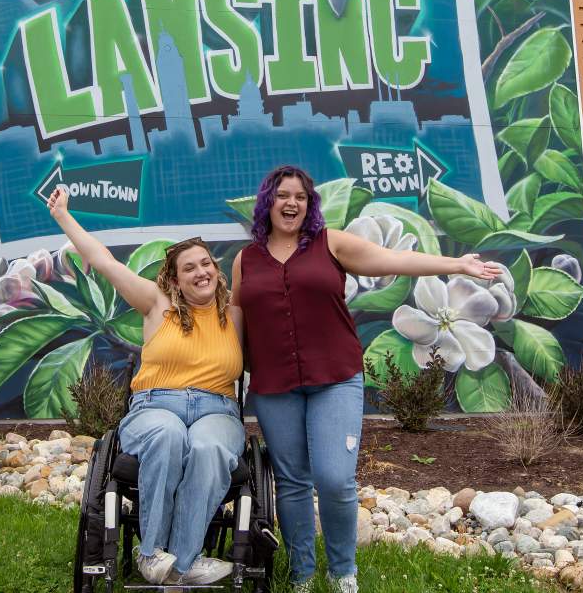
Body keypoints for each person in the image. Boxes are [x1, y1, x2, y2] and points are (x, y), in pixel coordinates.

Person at [231, 165, 501, 593]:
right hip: (274, 384)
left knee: (335, 479)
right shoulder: (245, 260)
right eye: (284, 195)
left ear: (310, 204)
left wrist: (457, 264)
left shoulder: (330, 243)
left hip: (335, 377)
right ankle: (301, 574)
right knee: (293, 481)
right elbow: (235, 317)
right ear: (269, 201)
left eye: (301, 197)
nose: (292, 203)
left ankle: (343, 572)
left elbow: (395, 259)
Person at [48, 188, 244, 587]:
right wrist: (63, 216)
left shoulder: (235, 315)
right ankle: (152, 553)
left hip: (217, 409)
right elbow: (103, 261)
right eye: (189, 268)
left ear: (216, 270)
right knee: (168, 435)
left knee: (208, 448)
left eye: (206, 263)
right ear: (174, 278)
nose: (200, 272)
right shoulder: (157, 303)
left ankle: (185, 563)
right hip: (156, 406)